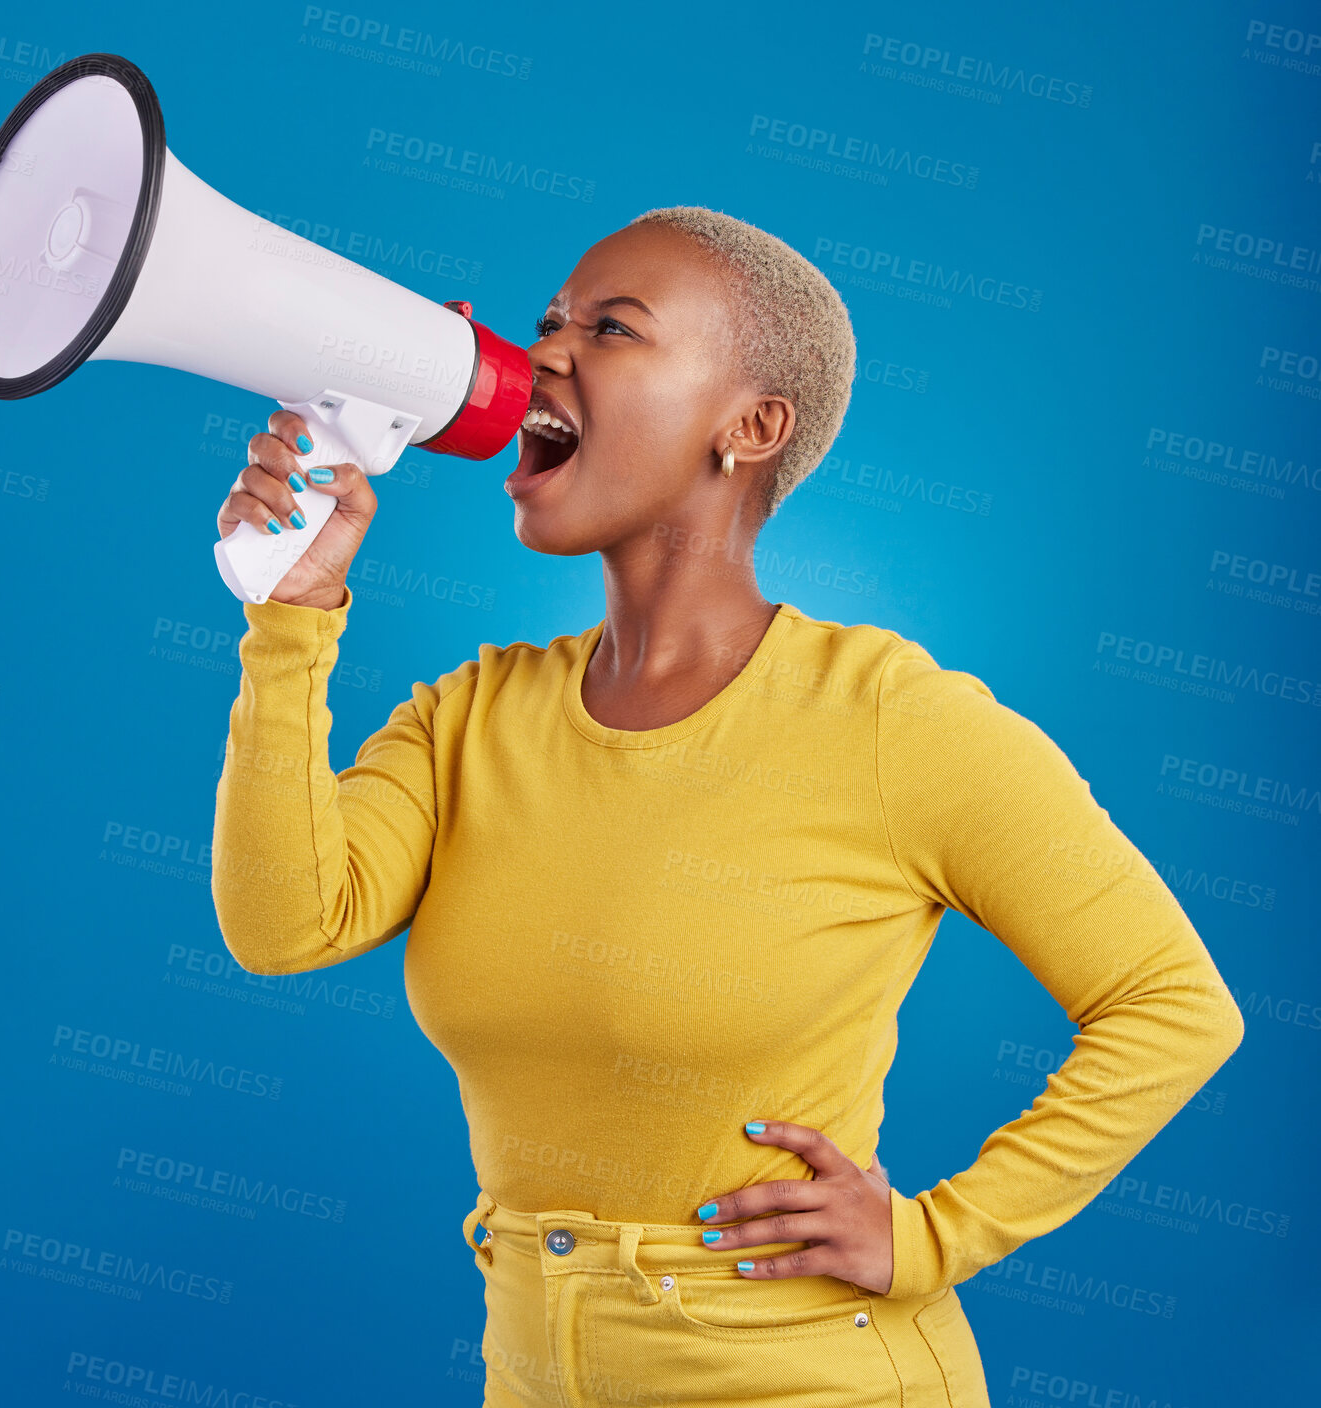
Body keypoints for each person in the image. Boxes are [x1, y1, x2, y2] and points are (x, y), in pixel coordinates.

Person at [210, 207, 1244, 1407]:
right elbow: (283, 927)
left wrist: (934, 1238)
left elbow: (1173, 1005)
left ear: (749, 428)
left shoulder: (890, 719)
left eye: (612, 329)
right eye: (550, 321)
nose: (543, 353)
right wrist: (288, 620)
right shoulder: (468, 719)